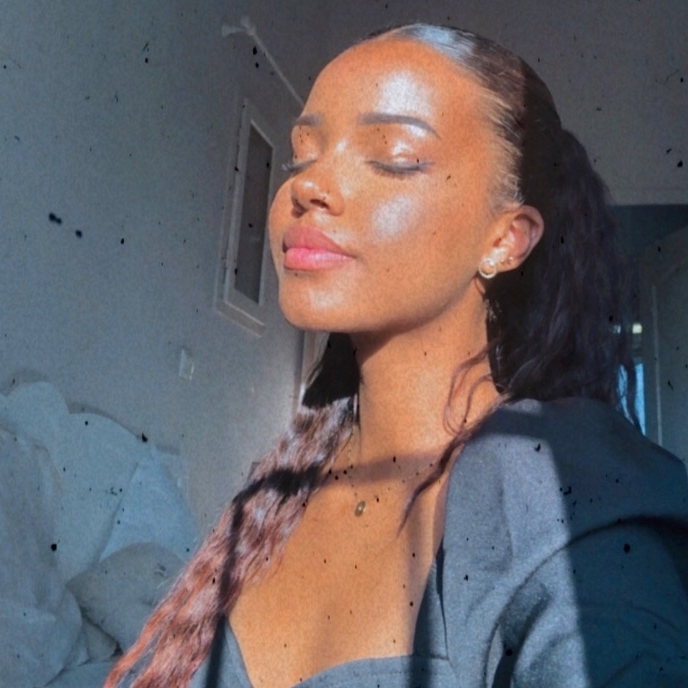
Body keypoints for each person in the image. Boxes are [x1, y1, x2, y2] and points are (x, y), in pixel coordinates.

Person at [105, 23, 688, 688]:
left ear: (505, 239)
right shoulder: (284, 486)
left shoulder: (556, 499)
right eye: (301, 157)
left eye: (392, 157)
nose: (309, 186)